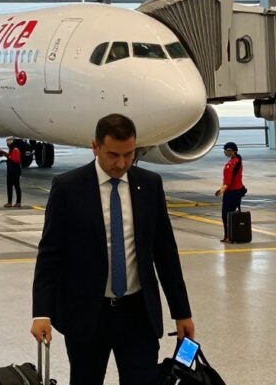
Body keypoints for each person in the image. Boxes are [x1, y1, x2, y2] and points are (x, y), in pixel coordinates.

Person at [30, 113, 194, 384]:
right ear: (95, 147)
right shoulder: (68, 187)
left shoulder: (149, 185)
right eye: (113, 155)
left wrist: (182, 311)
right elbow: (50, 254)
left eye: (129, 154)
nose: (121, 163)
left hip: (138, 313)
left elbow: (165, 253)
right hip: (87, 315)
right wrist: (41, 312)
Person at [215, 141, 247, 243]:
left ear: (233, 151)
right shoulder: (237, 160)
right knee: (231, 214)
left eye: (227, 150)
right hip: (236, 191)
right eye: (225, 150)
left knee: (226, 215)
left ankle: (229, 236)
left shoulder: (232, 163)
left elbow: (229, 180)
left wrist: (222, 190)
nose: (225, 152)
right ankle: (231, 235)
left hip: (232, 192)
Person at [0, 137, 22, 208]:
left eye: (8, 143)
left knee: (15, 186)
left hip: (14, 170)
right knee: (11, 186)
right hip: (11, 170)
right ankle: (11, 202)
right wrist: (4, 154)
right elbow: (11, 157)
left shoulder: (15, 149)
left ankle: (17, 202)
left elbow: (16, 160)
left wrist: (6, 154)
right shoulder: (12, 150)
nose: (7, 144)